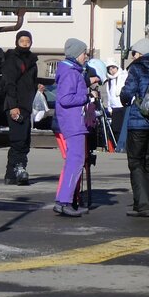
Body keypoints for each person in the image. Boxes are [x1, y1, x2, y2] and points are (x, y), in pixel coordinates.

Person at [120, 37, 149, 218]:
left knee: (136, 162)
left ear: (140, 53)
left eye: (134, 52)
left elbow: (128, 93)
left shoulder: (137, 68)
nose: (133, 56)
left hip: (138, 122)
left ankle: (143, 206)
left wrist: (124, 99)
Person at [52, 38, 95, 216]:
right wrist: (86, 97)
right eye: (84, 53)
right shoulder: (71, 73)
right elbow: (65, 99)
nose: (86, 56)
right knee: (75, 161)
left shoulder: (71, 70)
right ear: (77, 54)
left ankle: (63, 200)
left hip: (73, 121)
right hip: (73, 122)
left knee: (74, 161)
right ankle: (65, 202)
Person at [0, 30, 38, 185]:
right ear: (17, 42)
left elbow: (31, 81)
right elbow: (9, 84)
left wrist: (39, 85)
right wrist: (13, 106)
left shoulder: (32, 60)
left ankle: (11, 175)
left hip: (26, 104)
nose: (25, 44)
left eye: (27, 41)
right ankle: (19, 168)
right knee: (19, 139)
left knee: (24, 139)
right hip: (15, 104)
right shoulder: (12, 59)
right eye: (22, 41)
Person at [103, 61, 128, 152]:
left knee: (123, 128)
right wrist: (109, 107)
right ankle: (117, 145)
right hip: (115, 108)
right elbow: (109, 95)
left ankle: (124, 146)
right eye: (109, 69)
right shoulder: (109, 80)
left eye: (113, 68)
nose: (111, 71)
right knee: (115, 128)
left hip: (123, 105)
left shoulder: (123, 76)